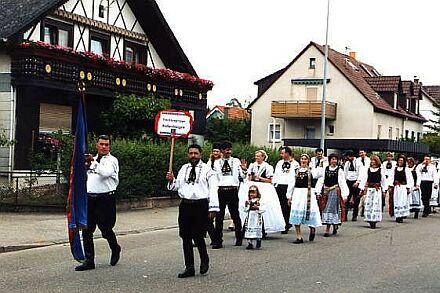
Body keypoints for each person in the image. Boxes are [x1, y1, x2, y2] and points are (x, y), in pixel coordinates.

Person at [166, 144, 219, 278]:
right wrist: (172, 180)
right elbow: (177, 186)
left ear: (200, 154)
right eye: (191, 153)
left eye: (196, 153)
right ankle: (189, 267)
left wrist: (213, 208)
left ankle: (204, 259)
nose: (193, 156)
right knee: (185, 236)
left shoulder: (208, 170)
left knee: (198, 235)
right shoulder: (184, 168)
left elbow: (213, 189)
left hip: (200, 205)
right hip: (185, 205)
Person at [75, 135, 120, 271]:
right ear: (97, 145)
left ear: (109, 146)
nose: (104, 147)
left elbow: (106, 173)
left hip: (105, 199)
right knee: (87, 230)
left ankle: (115, 248)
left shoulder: (112, 161)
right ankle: (89, 260)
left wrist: (93, 162)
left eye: (106, 145)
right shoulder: (91, 160)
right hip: (90, 198)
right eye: (101, 144)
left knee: (106, 229)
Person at [238, 150, 285, 235]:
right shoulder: (252, 165)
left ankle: (263, 227)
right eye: (256, 156)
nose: (257, 158)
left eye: (259, 156)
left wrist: (259, 178)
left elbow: (270, 180)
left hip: (264, 187)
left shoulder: (268, 167)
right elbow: (248, 177)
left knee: (264, 205)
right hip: (253, 185)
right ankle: (246, 226)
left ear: (263, 157)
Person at [212, 141, 247, 248]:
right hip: (221, 190)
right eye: (227, 150)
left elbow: (242, 176)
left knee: (235, 215)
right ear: (222, 151)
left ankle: (239, 237)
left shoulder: (236, 161)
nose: (229, 152)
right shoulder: (216, 163)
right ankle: (218, 240)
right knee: (219, 216)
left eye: (230, 149)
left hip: (233, 190)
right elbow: (215, 178)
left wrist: (244, 170)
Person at [287, 154, 322, 244]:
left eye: (305, 159)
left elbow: (321, 174)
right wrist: (289, 196)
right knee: (296, 213)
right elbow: (291, 184)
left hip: (308, 194)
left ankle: (312, 228)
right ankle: (299, 237)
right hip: (298, 194)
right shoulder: (295, 171)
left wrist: (322, 163)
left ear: (308, 161)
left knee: (309, 212)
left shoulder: (312, 171)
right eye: (302, 159)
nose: (303, 160)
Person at [316, 153, 349, 236]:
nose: (334, 161)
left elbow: (342, 182)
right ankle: (334, 224)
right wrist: (318, 191)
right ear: (329, 160)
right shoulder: (325, 169)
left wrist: (345, 194)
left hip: (334, 191)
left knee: (330, 209)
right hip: (326, 191)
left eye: (335, 159)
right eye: (332, 159)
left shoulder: (339, 170)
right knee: (325, 208)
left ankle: (328, 228)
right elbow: (321, 180)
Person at [272, 146, 299, 234]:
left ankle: (287, 223)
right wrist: (274, 183)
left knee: (286, 206)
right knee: (279, 205)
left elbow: (295, 176)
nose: (281, 155)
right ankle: (281, 223)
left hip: (288, 186)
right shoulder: (279, 163)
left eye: (283, 153)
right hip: (280, 185)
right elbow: (276, 173)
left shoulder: (295, 164)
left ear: (288, 153)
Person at [359, 155, 387, 229]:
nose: (372, 162)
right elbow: (364, 179)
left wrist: (384, 190)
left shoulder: (380, 170)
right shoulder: (368, 170)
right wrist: (362, 188)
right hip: (370, 189)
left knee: (376, 204)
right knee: (369, 204)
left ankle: (374, 220)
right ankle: (370, 219)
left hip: (376, 190)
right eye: (371, 160)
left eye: (374, 160)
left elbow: (383, 181)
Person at [388, 155, 413, 223]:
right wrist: (390, 186)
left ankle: (401, 216)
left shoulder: (406, 169)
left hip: (403, 188)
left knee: (402, 201)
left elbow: (410, 179)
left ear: (404, 162)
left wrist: (408, 187)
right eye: (399, 160)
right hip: (396, 187)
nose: (400, 162)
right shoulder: (395, 169)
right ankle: (397, 215)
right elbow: (391, 178)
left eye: (401, 161)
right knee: (396, 201)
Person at [242, 185, 264, 250]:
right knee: (249, 229)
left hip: (256, 217)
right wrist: (246, 206)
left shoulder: (259, 201)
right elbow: (245, 210)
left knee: (257, 229)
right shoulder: (249, 201)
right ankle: (250, 243)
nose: (251, 194)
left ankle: (258, 240)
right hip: (250, 216)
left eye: (253, 192)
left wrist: (258, 208)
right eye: (250, 192)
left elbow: (263, 209)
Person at [343, 150, 362, 221]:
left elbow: (361, 173)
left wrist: (358, 182)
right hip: (348, 181)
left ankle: (354, 215)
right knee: (347, 199)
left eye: (347, 156)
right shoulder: (347, 163)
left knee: (356, 199)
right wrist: (345, 182)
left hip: (355, 181)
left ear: (350, 156)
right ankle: (345, 216)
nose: (346, 158)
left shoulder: (358, 163)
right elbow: (345, 173)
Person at [356, 149, 370, 217]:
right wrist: (357, 181)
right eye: (360, 153)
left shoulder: (369, 160)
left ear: (365, 153)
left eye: (362, 152)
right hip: (359, 179)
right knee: (359, 196)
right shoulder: (357, 160)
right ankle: (359, 210)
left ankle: (365, 210)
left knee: (366, 196)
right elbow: (357, 171)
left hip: (366, 179)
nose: (361, 154)